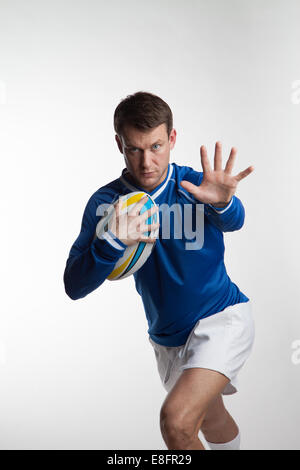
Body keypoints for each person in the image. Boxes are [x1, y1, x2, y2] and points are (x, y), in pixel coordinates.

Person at [63, 91, 255, 450]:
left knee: (176, 422)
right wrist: (111, 243)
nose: (147, 161)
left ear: (172, 139)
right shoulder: (106, 204)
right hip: (167, 339)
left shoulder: (194, 185)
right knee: (211, 420)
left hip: (221, 318)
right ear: (119, 143)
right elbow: (74, 285)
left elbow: (236, 219)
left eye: (155, 146)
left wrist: (225, 203)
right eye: (134, 149)